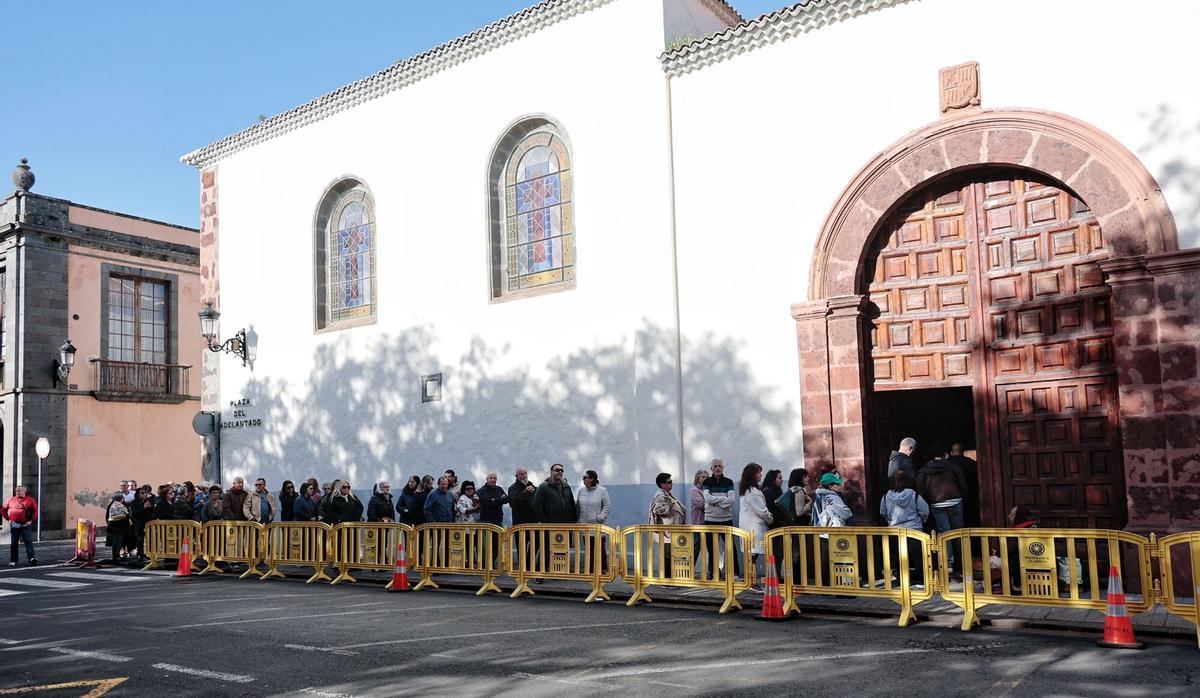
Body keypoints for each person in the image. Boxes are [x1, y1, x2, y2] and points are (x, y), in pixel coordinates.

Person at [916, 443, 968, 581]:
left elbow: (920, 488)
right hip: (955, 501)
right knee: (959, 532)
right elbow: (962, 482)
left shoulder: (925, 469)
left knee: (944, 533)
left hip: (937, 504)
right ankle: (964, 562)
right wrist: (962, 494)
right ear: (944, 453)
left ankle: (948, 563)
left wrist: (929, 500)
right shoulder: (952, 466)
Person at [880, 470, 929, 585]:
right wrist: (921, 521)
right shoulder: (914, 494)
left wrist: (891, 521)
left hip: (895, 531)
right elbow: (925, 510)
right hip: (914, 530)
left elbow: (882, 512)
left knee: (899, 556)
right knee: (918, 557)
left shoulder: (886, 496)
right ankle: (922, 579)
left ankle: (902, 580)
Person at [701, 458, 740, 579]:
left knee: (731, 548)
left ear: (723, 468)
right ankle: (713, 573)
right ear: (711, 469)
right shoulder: (707, 481)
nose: (718, 468)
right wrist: (723, 501)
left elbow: (732, 499)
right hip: (710, 520)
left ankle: (735, 573)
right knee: (712, 548)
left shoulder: (728, 482)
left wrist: (716, 502)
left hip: (726, 519)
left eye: (720, 466)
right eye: (715, 466)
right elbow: (707, 498)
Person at [738, 463, 772, 592]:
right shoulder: (752, 492)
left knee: (752, 555)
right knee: (753, 555)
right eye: (758, 472)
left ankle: (751, 582)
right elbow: (762, 511)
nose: (761, 475)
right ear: (752, 475)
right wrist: (771, 519)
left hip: (749, 526)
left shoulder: (747, 490)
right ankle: (753, 583)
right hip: (754, 526)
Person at [647, 472, 686, 577]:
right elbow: (658, 509)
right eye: (669, 482)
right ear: (662, 484)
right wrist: (669, 506)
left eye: (671, 482)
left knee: (671, 555)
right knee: (668, 556)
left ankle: (671, 578)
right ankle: (667, 581)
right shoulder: (660, 495)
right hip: (667, 532)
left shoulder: (667, 494)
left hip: (671, 531)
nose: (671, 484)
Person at [2, 486, 39, 567]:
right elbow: (3, 510)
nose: (17, 492)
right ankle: (13, 560)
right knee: (14, 543)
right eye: (16, 491)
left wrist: (31, 521)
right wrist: (8, 519)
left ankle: (32, 558)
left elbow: (35, 511)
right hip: (14, 524)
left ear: (24, 491)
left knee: (28, 541)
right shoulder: (10, 500)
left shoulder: (30, 500)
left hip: (25, 524)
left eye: (19, 491)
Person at [947, 443, 980, 527]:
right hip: (969, 497)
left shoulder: (945, 463)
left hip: (950, 498)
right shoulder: (970, 463)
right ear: (962, 452)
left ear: (951, 452)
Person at [105, 493, 132, 564]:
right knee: (117, 542)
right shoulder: (117, 505)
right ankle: (115, 558)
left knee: (118, 542)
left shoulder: (113, 504)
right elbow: (122, 515)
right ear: (121, 499)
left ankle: (117, 556)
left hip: (117, 527)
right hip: (118, 527)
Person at [130, 486, 155, 562]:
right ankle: (139, 555)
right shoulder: (134, 502)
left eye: (145, 493)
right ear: (138, 494)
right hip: (139, 523)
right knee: (139, 540)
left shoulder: (148, 501)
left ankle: (149, 554)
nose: (144, 494)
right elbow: (135, 513)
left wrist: (150, 507)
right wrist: (143, 507)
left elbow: (153, 511)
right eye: (142, 493)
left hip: (148, 523)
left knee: (150, 539)